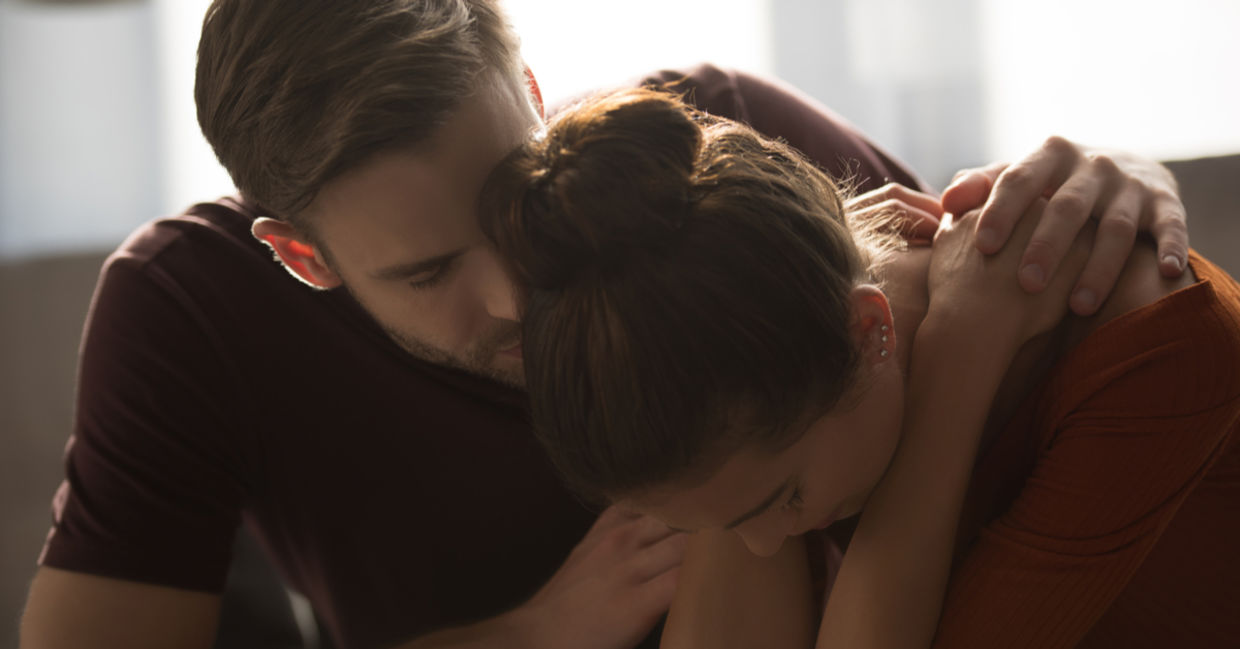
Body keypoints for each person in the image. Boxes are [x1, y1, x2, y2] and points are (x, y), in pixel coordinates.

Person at [17, 1, 1194, 648]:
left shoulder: (710, 155)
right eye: (427, 270)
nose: (515, 295)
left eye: (510, 199)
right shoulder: (191, 311)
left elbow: (972, 325)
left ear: (533, 100)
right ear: (300, 254)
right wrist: (531, 635)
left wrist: (1102, 179)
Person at [479, 88, 1240, 648]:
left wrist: (958, 360)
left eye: (784, 498)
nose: (766, 546)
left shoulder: (1157, 350)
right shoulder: (758, 385)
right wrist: (954, 353)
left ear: (871, 329)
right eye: (710, 526)